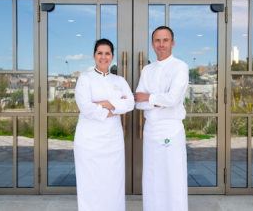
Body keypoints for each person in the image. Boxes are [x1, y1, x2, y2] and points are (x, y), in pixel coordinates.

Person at [74, 39, 134, 211]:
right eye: (100, 53)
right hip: (89, 141)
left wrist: (101, 103)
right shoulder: (85, 79)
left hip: (113, 140)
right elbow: (86, 107)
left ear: (112, 57)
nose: (103, 57)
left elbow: (129, 104)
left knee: (113, 182)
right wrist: (115, 105)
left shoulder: (119, 80)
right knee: (90, 183)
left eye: (107, 53)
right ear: (94, 56)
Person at [135, 26, 189, 211]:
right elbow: (138, 102)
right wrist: (159, 99)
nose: (161, 44)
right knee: (152, 175)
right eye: (157, 41)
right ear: (152, 44)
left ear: (172, 43)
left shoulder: (180, 66)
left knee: (173, 175)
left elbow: (173, 99)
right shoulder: (147, 70)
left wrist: (149, 97)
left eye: (165, 40)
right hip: (151, 129)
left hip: (170, 129)